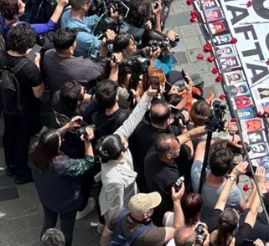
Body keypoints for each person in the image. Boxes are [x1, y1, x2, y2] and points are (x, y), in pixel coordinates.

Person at [30, 118, 96, 246]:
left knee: (48, 222)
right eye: (60, 140)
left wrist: (67, 126)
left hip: (46, 196)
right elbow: (88, 163)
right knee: (66, 231)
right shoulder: (63, 165)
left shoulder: (35, 151)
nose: (62, 139)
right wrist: (88, 142)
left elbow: (47, 140)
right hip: (66, 202)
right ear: (55, 147)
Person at [95, 88, 154, 220]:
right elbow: (115, 209)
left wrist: (147, 96)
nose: (126, 138)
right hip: (124, 205)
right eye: (125, 144)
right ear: (121, 153)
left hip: (129, 192)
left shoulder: (116, 139)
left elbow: (132, 120)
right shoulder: (113, 180)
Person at [1, 23, 45, 184]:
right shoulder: (30, 68)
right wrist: (37, 64)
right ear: (28, 46)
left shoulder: (2, 56)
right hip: (25, 109)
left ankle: (10, 165)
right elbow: (38, 93)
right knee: (22, 139)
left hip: (7, 104)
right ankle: (21, 174)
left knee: (9, 133)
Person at [40, 28, 104, 95]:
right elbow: (100, 69)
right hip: (76, 101)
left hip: (56, 95)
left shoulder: (48, 54)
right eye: (75, 42)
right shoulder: (84, 67)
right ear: (70, 49)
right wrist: (103, 47)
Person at [100, 192, 179, 246]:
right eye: (151, 207)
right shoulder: (148, 234)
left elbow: (106, 235)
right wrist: (176, 201)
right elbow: (176, 230)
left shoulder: (119, 213)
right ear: (146, 214)